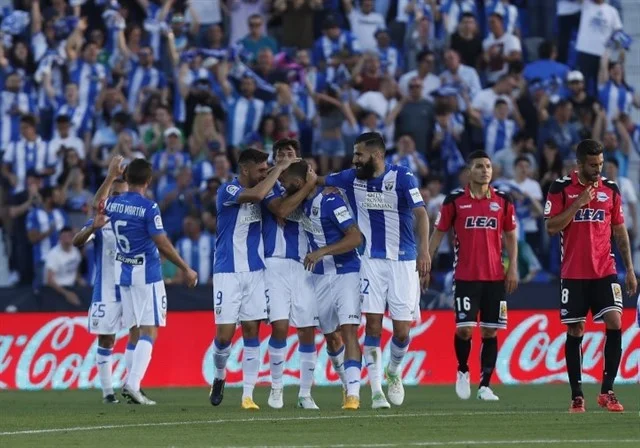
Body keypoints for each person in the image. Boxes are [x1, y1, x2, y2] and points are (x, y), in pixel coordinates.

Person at [319, 132, 431, 409]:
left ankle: (394, 371)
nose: (355, 159)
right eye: (354, 153)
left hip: (403, 261)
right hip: (370, 260)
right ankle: (377, 390)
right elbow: (318, 180)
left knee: (402, 331)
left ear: (377, 155)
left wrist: (425, 251)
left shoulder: (403, 177)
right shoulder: (350, 178)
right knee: (372, 324)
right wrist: (289, 169)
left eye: (359, 154)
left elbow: (421, 213)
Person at [92, 156, 198, 405]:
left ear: (126, 178)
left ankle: (133, 385)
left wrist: (110, 175)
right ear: (149, 181)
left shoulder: (115, 203)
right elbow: (162, 242)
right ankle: (133, 384)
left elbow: (97, 203)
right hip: (147, 275)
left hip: (124, 274)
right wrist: (185, 268)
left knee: (135, 331)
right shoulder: (149, 207)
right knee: (149, 330)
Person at [544, 139, 637, 413]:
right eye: (593, 165)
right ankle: (577, 395)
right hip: (573, 273)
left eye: (601, 164)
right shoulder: (560, 187)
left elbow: (619, 230)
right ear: (579, 164)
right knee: (576, 330)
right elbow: (551, 227)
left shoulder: (611, 189)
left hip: (605, 270)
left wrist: (630, 269)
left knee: (615, 321)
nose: (598, 169)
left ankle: (607, 391)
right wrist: (578, 204)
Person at [209, 148, 296, 410]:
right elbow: (257, 195)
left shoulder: (265, 189)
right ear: (245, 170)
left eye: (266, 169)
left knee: (252, 331)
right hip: (227, 272)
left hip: (256, 271)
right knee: (224, 338)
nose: (264, 173)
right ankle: (219, 376)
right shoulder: (228, 190)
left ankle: (248, 395)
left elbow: (280, 205)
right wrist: (279, 168)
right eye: (260, 170)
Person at [428, 150, 519, 401]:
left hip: (495, 277)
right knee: (465, 330)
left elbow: (511, 235)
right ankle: (463, 370)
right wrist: (426, 261)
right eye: (479, 166)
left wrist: (512, 267)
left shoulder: (503, 199)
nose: (485, 170)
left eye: (488, 166)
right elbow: (438, 232)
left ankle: (485, 386)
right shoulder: (455, 200)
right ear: (469, 172)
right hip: (465, 276)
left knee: (490, 331)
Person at [281, 160, 363, 410]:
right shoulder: (299, 204)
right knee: (331, 337)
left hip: (346, 272)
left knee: (349, 330)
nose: (282, 187)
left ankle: (354, 394)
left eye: (285, 182)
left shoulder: (331, 201)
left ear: (297, 182)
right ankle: (345, 384)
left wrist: (322, 252)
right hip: (319, 278)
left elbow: (356, 237)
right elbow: (281, 210)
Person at [260, 139, 322, 410]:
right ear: (274, 160)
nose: (285, 157)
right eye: (280, 154)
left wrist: (308, 185)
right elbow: (282, 209)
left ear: (298, 159)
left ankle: (305, 394)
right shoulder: (268, 185)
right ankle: (276, 388)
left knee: (307, 329)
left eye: (290, 153)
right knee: (280, 327)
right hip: (274, 264)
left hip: (303, 265)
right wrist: (308, 186)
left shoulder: (311, 189)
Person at [73, 178, 140, 404]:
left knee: (137, 334)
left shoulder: (137, 220)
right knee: (106, 339)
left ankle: (133, 387)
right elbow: (77, 241)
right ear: (110, 197)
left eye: (123, 194)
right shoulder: (101, 221)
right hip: (106, 290)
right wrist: (93, 226)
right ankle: (107, 393)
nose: (119, 199)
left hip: (132, 287)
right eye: (115, 194)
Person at [44, 226, 85, 307]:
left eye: (69, 236)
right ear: (60, 238)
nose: (66, 240)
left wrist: (81, 281)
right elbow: (49, 280)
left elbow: (76, 271)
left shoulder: (75, 251)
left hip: (72, 287)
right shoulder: (54, 255)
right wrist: (66, 294)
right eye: (64, 237)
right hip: (56, 290)